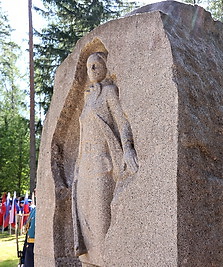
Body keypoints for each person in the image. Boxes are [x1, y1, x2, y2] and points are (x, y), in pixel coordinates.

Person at [72, 52, 139, 266]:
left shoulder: (109, 91)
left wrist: (128, 149)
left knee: (100, 225)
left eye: (96, 66)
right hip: (84, 167)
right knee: (85, 225)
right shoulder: (87, 96)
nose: (91, 71)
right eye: (88, 67)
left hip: (102, 164)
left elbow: (122, 121)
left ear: (105, 67)